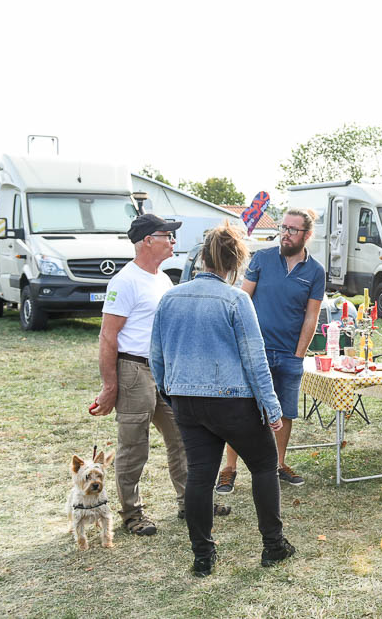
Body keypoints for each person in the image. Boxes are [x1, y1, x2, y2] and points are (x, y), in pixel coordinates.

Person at [149, 222, 295, 577]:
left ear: (203, 257)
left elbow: (156, 355)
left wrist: (170, 392)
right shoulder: (236, 299)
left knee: (200, 476)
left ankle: (203, 556)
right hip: (232, 401)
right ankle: (273, 545)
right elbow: (255, 359)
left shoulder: (170, 298)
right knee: (264, 465)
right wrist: (272, 407)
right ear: (234, 263)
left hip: (186, 399)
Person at [91, 214, 209, 536]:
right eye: (167, 236)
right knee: (134, 447)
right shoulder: (125, 281)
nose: (173, 241)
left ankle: (190, 502)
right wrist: (110, 386)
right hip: (134, 370)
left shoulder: (163, 279)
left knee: (181, 437)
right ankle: (132, 514)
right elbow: (108, 336)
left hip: (162, 371)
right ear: (147, 241)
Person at [215, 209, 323, 494]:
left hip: (289, 354)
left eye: (293, 230)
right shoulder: (262, 259)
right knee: (242, 410)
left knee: (285, 411)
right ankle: (229, 469)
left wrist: (299, 355)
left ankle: (279, 464)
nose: (285, 234)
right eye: (283, 227)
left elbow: (311, 316)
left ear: (307, 235)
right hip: (254, 353)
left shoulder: (315, 271)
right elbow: (242, 300)